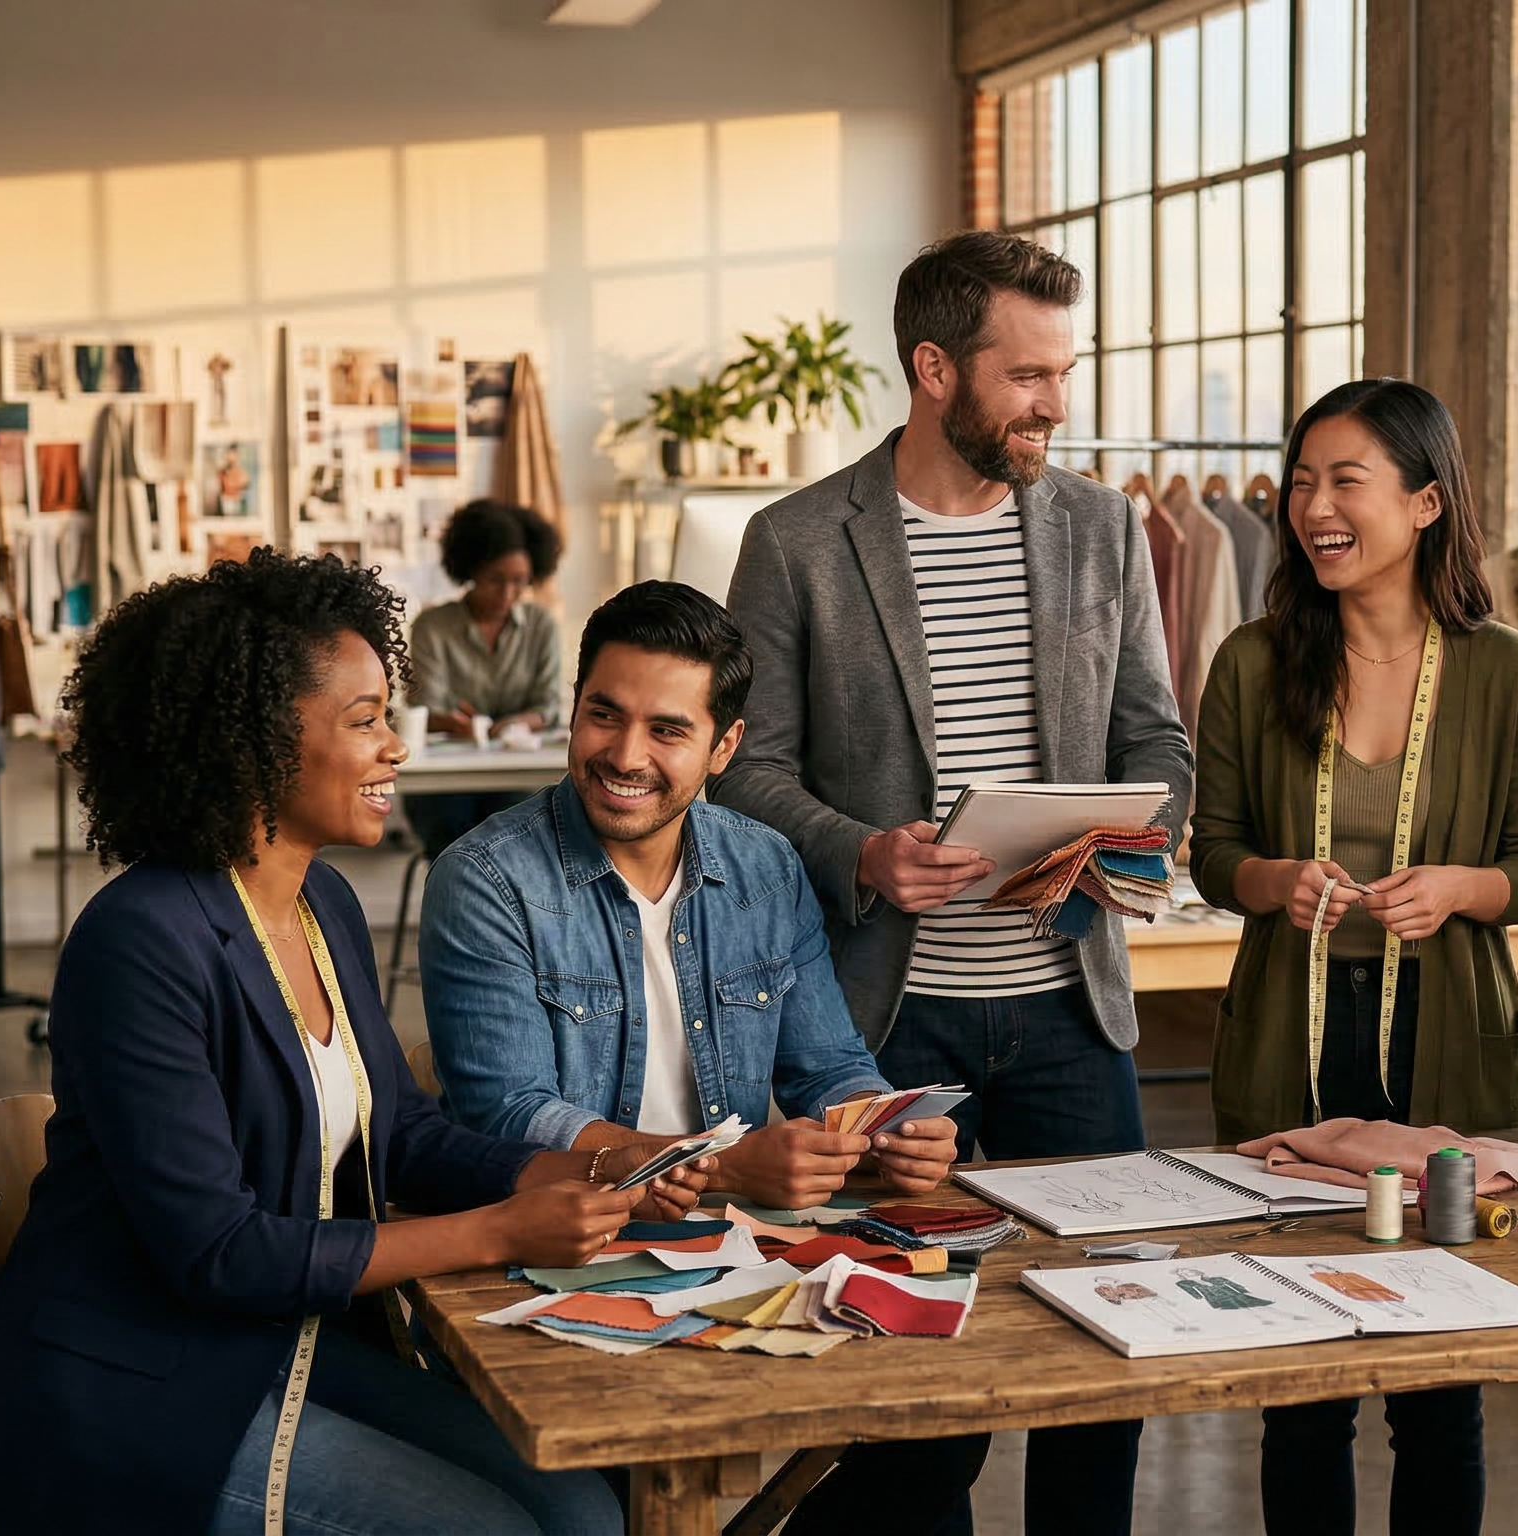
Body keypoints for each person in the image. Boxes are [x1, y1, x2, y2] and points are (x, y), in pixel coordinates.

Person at [0, 552, 710, 1536]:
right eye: (365, 721)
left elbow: (408, 1139)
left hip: (266, 1346)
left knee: (586, 1506)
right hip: (135, 1387)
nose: (396, 748)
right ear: (257, 743)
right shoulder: (141, 942)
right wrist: (501, 1232)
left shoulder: (320, 905)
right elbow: (216, 1254)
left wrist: (598, 1160)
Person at [718, 229, 1192, 1536]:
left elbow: (1159, 739)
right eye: (1029, 375)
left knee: (1105, 1347)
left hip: (1067, 1013)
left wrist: (1117, 836)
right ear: (934, 369)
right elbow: (743, 774)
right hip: (881, 1028)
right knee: (904, 1367)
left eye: (1065, 372)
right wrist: (862, 850)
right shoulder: (799, 541)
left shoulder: (1104, 531)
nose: (1058, 402)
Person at [1188, 378, 1518, 1536]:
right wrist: (1273, 881)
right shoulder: (1252, 664)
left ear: (1425, 503)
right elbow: (1213, 856)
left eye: (1344, 480)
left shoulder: (1508, 674)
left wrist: (1462, 888)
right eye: (1300, 482)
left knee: (1438, 1374)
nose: (1313, 507)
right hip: (1288, 1037)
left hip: (1446, 1039)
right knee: (1295, 1366)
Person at [419, 580, 962, 1211]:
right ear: (574, 708)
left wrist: (891, 1129)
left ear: (723, 748)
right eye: (604, 715)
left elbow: (829, 1069)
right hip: (551, 1238)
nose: (625, 756)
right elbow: (510, 1116)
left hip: (734, 1239)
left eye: (667, 731)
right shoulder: (485, 879)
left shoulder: (767, 868)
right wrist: (723, 1168)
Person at [405, 497, 566, 851]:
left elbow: (549, 706)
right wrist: (456, 725)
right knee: (453, 831)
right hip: (444, 781)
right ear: (472, 571)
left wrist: (506, 726)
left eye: (519, 581)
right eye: (495, 580)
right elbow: (426, 709)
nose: (508, 594)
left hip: (514, 773)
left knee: (524, 824)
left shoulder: (541, 626)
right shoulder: (433, 627)